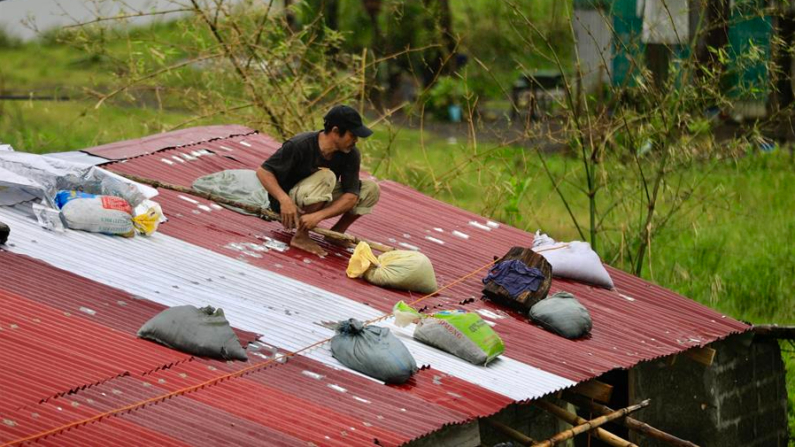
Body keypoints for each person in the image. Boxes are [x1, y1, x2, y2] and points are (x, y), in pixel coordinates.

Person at [256, 105, 380, 256]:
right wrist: (284, 200)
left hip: (320, 196)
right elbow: (263, 172)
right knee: (327, 176)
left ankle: (336, 233)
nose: (355, 140)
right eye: (352, 135)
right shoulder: (300, 144)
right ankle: (301, 236)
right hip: (289, 203)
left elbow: (351, 196)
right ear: (335, 131)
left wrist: (318, 216)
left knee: (371, 189)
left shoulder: (351, 153)